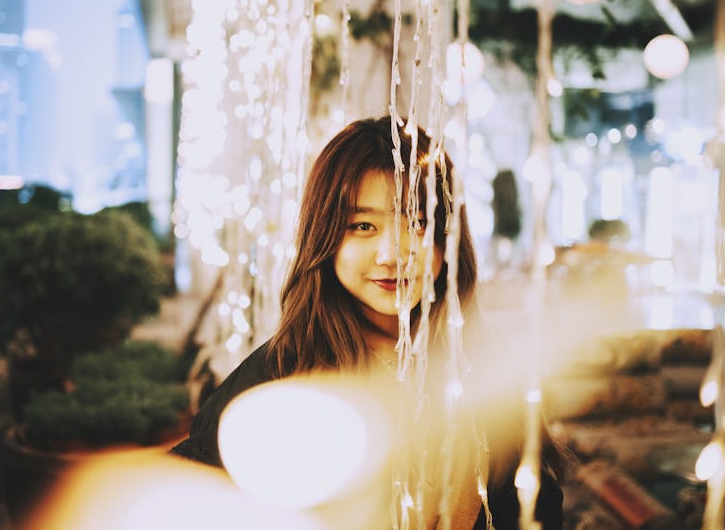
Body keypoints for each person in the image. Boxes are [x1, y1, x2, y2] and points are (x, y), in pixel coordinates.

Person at [171, 115, 566, 529]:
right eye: (363, 226)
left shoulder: (484, 366)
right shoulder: (282, 374)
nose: (391, 254)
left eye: (415, 223)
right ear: (325, 238)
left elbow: (535, 503)